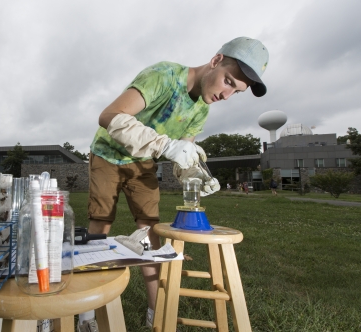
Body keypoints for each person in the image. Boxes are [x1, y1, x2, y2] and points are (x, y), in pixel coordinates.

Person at [80, 36, 269, 331]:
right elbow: (109, 116)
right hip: (108, 152)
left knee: (150, 234)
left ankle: (157, 315)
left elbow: (182, 155)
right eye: (228, 81)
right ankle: (86, 314)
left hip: (142, 163)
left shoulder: (201, 110)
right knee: (100, 227)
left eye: (237, 91)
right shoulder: (164, 76)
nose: (227, 94)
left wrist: (195, 173)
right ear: (216, 60)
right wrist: (166, 146)